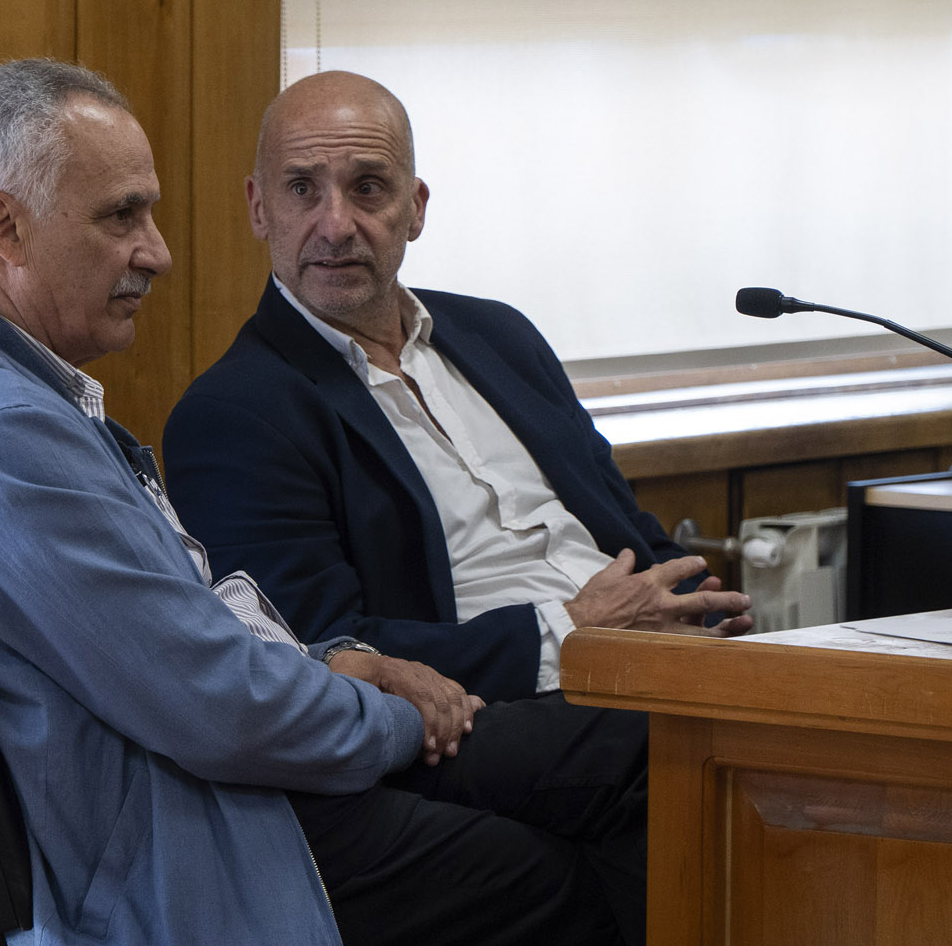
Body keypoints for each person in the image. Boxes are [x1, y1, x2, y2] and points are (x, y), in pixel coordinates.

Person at [0, 58, 647, 946]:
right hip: (205, 865)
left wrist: (333, 662)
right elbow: (219, 709)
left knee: (628, 753)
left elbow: (190, 638)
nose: (157, 251)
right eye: (121, 216)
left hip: (197, 810)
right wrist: (392, 717)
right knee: (576, 864)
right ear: (4, 226)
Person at [162, 70, 753, 706]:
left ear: (414, 208)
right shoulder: (234, 413)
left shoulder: (500, 336)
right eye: (302, 189)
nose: (335, 225)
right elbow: (318, 651)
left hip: (652, 662)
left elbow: (624, 527)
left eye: (367, 189)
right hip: (492, 713)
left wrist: (695, 608)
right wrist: (576, 632)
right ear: (259, 208)